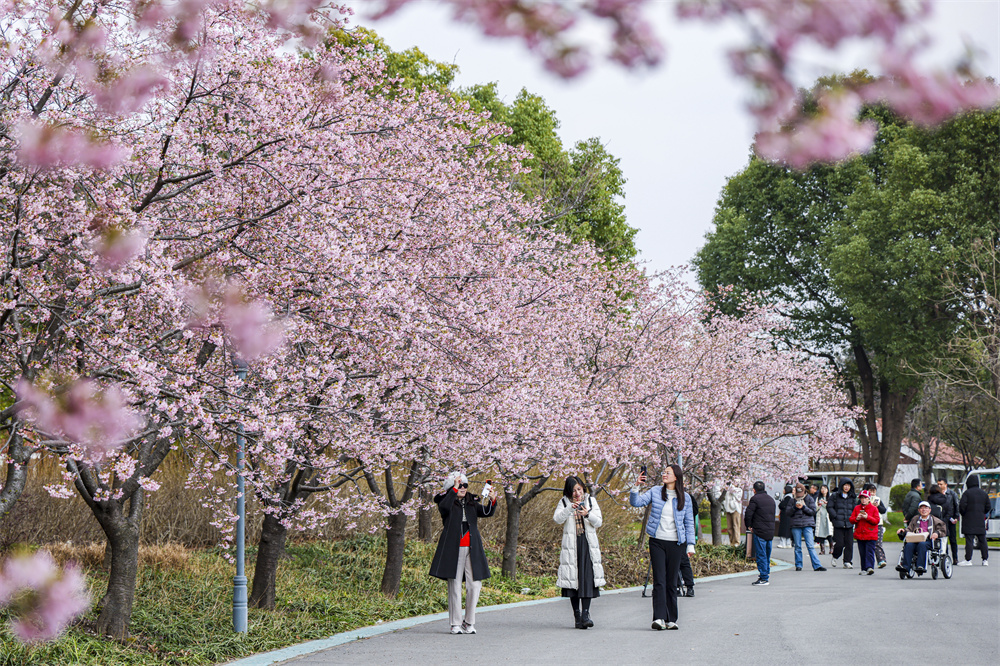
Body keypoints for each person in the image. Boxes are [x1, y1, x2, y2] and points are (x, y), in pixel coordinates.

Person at [429, 471, 498, 634]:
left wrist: (492, 499)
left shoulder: (471, 502)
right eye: (459, 485)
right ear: (451, 487)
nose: (462, 488)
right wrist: (453, 490)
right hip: (453, 547)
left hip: (473, 548)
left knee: (475, 584)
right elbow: (444, 507)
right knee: (454, 585)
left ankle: (469, 622)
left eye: (465, 485)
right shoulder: (446, 502)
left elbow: (486, 512)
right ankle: (455, 623)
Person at [630, 464, 696, 630]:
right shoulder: (655, 491)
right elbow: (636, 502)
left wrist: (690, 545)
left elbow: (689, 522)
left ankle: (671, 619)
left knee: (672, 581)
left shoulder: (685, 498)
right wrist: (636, 486)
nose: (664, 475)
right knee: (659, 580)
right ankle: (659, 618)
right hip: (657, 541)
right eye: (664, 472)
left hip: (676, 544)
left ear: (676, 477)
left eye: (668, 472)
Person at [554, 476, 605, 629]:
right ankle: (577, 616)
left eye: (579, 489)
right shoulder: (564, 502)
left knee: (587, 578)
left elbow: (599, 522)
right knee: (573, 581)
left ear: (583, 488)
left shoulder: (590, 501)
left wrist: (587, 514)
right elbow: (557, 519)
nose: (577, 493)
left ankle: (586, 614)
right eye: (573, 490)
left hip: (587, 544)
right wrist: (570, 508)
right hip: (571, 546)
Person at [784, 483, 826, 571]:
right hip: (795, 525)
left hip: (807, 525)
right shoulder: (792, 500)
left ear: (804, 492)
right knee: (797, 546)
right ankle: (798, 565)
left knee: (810, 546)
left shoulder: (809, 498)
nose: (799, 496)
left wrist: (803, 507)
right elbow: (787, 513)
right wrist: (795, 508)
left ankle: (817, 565)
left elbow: (813, 511)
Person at [896, 501, 947, 575]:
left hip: (928, 540)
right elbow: (909, 529)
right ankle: (905, 567)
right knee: (908, 545)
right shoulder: (915, 519)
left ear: (929, 510)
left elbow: (942, 529)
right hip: (915, 539)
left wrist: (936, 533)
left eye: (926, 508)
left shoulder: (934, 520)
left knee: (922, 544)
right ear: (919, 510)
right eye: (921, 508)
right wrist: (903, 530)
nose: (924, 510)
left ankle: (920, 566)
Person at [743, 480, 776, 586]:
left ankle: (764, 577)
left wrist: (749, 525)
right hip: (770, 531)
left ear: (754, 490)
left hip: (760, 530)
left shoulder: (755, 499)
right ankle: (766, 574)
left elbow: (748, 513)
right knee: (767, 554)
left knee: (761, 554)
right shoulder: (771, 500)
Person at [957, 474, 991, 566]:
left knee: (969, 540)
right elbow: (988, 506)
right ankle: (985, 560)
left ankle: (968, 559)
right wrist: (982, 512)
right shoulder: (984, 493)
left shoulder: (967, 493)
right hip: (980, 520)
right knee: (983, 540)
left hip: (969, 519)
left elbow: (962, 506)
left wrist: (964, 514)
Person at [826, 478, 856, 568]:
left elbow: (855, 508)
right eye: (845, 485)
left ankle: (847, 561)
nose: (847, 487)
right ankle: (835, 556)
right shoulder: (835, 495)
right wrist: (835, 516)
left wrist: (853, 518)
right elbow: (829, 507)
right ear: (842, 485)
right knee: (839, 544)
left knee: (849, 544)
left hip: (849, 523)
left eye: (848, 485)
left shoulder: (852, 496)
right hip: (838, 524)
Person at [850, 489, 880, 575]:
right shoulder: (857, 508)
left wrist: (867, 517)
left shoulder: (874, 508)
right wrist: (857, 518)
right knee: (862, 552)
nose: (863, 500)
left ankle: (870, 567)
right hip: (860, 534)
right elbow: (851, 520)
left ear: (869, 499)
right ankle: (863, 568)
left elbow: (876, 520)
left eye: (865, 498)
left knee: (869, 551)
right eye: (862, 498)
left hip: (871, 534)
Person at [933, 478, 960, 562]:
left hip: (950, 519)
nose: (939, 486)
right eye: (938, 484)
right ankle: (945, 557)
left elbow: (957, 505)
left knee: (952, 539)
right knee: (942, 538)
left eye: (941, 484)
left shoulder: (952, 494)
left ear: (946, 485)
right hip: (941, 520)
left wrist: (956, 517)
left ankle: (955, 558)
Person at [861, 482, 888, 568]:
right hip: (867, 524)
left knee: (878, 543)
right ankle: (867, 562)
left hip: (878, 523)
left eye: (874, 491)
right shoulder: (863, 499)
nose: (872, 493)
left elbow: (883, 510)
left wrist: (878, 506)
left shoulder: (878, 499)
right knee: (868, 544)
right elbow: (859, 508)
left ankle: (881, 560)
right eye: (870, 491)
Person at [722, 480, 743, 547]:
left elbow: (738, 497)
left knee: (735, 526)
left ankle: (737, 542)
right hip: (728, 509)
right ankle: (731, 542)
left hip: (735, 509)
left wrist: (732, 489)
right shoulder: (728, 490)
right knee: (729, 527)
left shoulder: (739, 490)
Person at [814, 484, 833, 554]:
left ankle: (831, 548)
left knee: (829, 533)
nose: (823, 490)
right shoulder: (818, 498)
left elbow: (832, 507)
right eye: (822, 488)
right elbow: (815, 508)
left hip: (827, 517)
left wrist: (826, 503)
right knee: (821, 533)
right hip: (820, 517)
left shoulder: (830, 498)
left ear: (827, 490)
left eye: (825, 488)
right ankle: (822, 550)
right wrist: (819, 505)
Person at [776, 484, 794, 548]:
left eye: (784, 489)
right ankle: (788, 543)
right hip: (789, 515)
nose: (783, 490)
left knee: (783, 529)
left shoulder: (787, 497)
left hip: (785, 515)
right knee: (788, 529)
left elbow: (781, 505)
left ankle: (782, 543)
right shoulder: (791, 497)